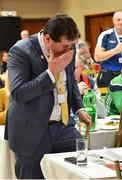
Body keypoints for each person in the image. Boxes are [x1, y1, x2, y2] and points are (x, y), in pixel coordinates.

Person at [4, 14, 92, 179]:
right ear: (47, 39)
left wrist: (79, 108)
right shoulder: (20, 50)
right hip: (30, 130)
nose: (69, 51)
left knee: (81, 171)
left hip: (63, 127)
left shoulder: (69, 48)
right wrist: (51, 73)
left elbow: (70, 83)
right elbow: (18, 93)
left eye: (71, 46)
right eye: (65, 46)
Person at [94, 10, 122, 87]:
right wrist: (115, 51)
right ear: (114, 21)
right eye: (118, 19)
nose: (121, 22)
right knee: (106, 98)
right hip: (108, 75)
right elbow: (97, 57)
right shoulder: (105, 35)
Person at [75, 54, 106, 118]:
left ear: (82, 68)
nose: (69, 71)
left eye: (74, 68)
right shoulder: (60, 84)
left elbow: (102, 113)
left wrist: (90, 95)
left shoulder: (90, 83)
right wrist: (76, 92)